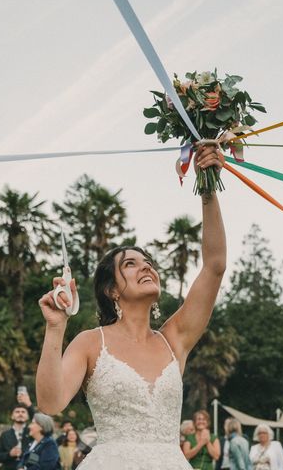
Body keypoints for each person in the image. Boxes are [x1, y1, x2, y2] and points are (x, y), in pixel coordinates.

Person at [35, 144, 226, 469]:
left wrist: (207, 186)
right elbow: (50, 403)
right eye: (131, 264)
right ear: (111, 289)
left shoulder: (174, 340)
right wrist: (56, 327)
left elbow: (214, 266)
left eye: (148, 262)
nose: (146, 267)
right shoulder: (91, 342)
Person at [0, 403, 32, 470]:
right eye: (17, 412)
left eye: (23, 412)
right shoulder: (5, 435)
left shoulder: (33, 434)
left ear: (28, 416)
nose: (20, 414)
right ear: (12, 416)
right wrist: (9, 454)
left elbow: (37, 454)